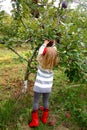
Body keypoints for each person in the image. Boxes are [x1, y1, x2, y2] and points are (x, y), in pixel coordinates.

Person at [28, 39, 59, 127]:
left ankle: (35, 121)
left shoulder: (41, 63)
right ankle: (44, 119)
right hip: (48, 87)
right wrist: (53, 44)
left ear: (44, 55)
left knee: (36, 102)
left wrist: (44, 44)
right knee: (46, 101)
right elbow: (54, 52)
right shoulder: (53, 64)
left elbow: (40, 52)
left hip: (38, 87)